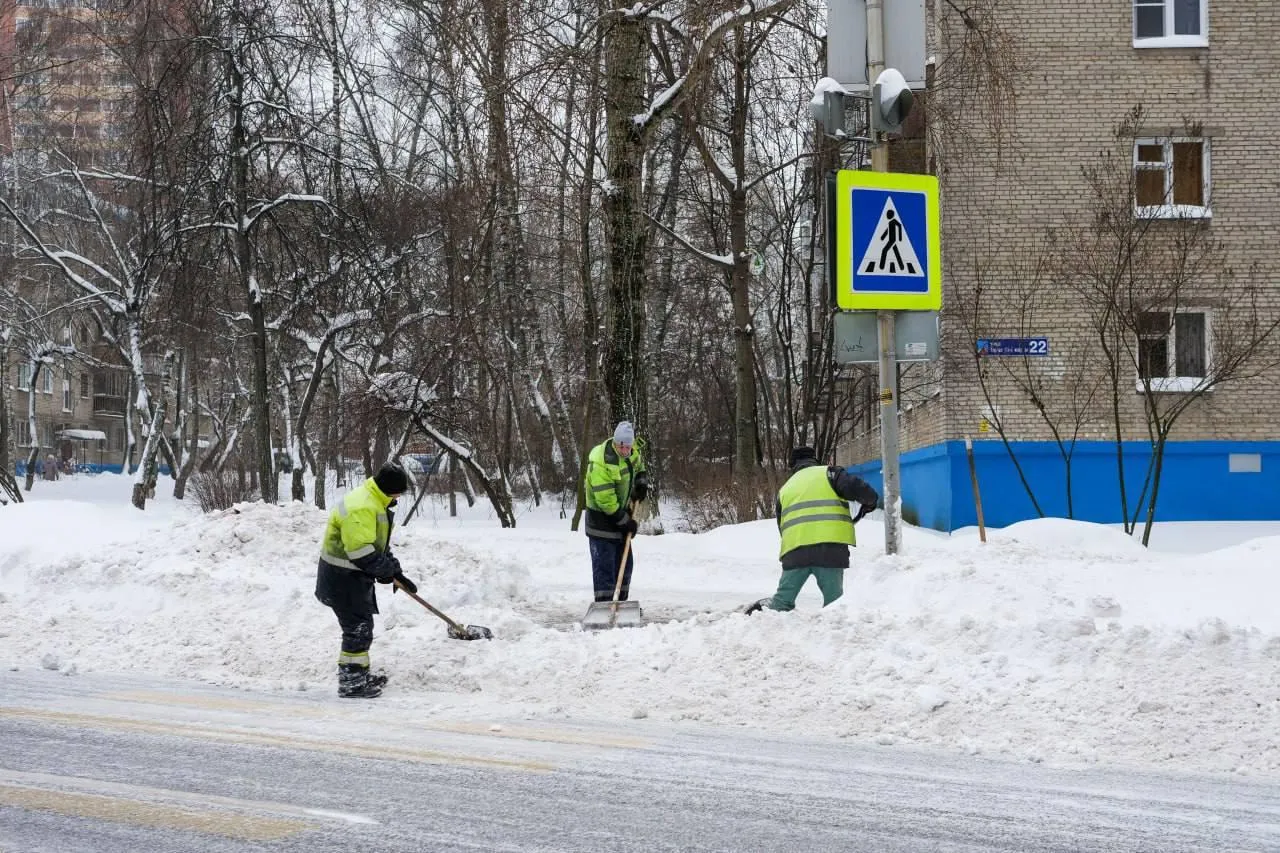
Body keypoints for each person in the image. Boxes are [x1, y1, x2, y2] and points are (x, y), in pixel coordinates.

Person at [315, 460, 419, 698]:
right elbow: (360, 551)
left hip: (350, 576)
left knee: (360, 626)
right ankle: (351, 683)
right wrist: (384, 572)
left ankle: (358, 676)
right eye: (398, 492)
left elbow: (375, 545)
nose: (399, 498)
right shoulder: (363, 507)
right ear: (388, 489)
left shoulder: (374, 500)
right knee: (357, 629)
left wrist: (394, 570)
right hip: (341, 578)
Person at [746, 446, 879, 614]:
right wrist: (870, 502)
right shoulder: (830, 474)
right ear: (814, 459)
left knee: (782, 601)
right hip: (830, 550)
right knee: (835, 605)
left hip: (795, 552)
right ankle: (832, 633)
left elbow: (783, 527)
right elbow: (860, 490)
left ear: (792, 465)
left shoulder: (785, 489)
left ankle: (764, 619)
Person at [583, 420, 649, 602]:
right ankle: (604, 606)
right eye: (623, 447)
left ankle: (621, 604)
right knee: (605, 567)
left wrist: (641, 483)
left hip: (620, 515)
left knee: (625, 565)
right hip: (601, 521)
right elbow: (605, 500)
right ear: (616, 443)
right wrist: (625, 522)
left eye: (629, 447)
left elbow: (638, 465)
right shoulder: (602, 462)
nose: (627, 451)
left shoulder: (631, 451)